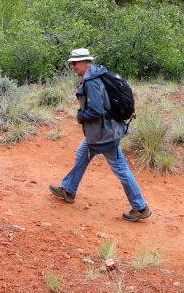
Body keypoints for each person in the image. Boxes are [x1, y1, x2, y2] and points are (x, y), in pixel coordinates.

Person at [49, 48, 151, 222]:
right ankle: (68, 190)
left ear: (83, 62)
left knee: (121, 169)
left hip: (105, 135)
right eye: (71, 63)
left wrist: (81, 116)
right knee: (82, 155)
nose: (73, 67)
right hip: (99, 133)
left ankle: (140, 207)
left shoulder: (91, 81)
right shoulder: (95, 76)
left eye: (74, 63)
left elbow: (96, 109)